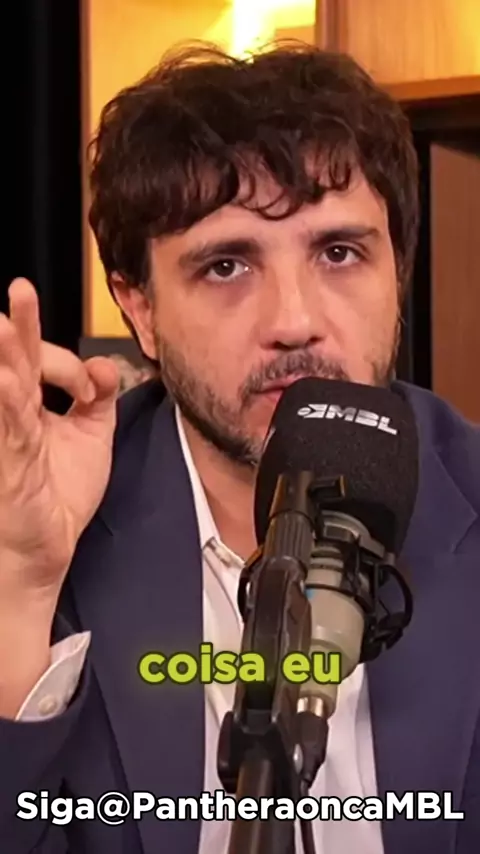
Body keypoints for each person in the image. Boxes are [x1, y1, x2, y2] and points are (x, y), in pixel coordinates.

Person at [0, 40, 479, 854]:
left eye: (339, 253)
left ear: (397, 271)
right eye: (226, 266)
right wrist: (21, 581)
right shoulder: (50, 520)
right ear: (139, 308)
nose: (294, 321)